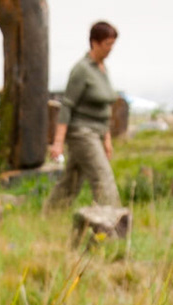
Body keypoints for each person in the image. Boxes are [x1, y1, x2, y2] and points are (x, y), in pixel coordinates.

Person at [52, 21, 122, 208]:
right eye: (108, 44)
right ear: (95, 42)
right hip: (82, 132)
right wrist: (58, 143)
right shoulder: (82, 70)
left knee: (71, 181)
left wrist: (107, 139)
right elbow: (67, 105)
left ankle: (50, 215)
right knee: (103, 177)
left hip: (97, 131)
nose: (111, 49)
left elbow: (103, 109)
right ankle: (113, 222)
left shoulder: (102, 69)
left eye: (113, 44)